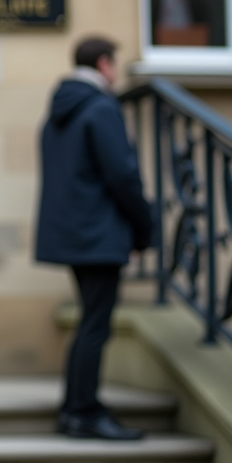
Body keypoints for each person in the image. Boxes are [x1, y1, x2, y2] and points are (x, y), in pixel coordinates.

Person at [35, 36, 153, 440]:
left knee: (89, 323)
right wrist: (144, 228)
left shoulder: (59, 112)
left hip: (74, 234)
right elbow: (123, 175)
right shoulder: (101, 107)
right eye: (115, 64)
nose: (116, 72)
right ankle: (83, 411)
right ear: (104, 64)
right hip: (100, 235)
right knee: (95, 326)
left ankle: (76, 408)